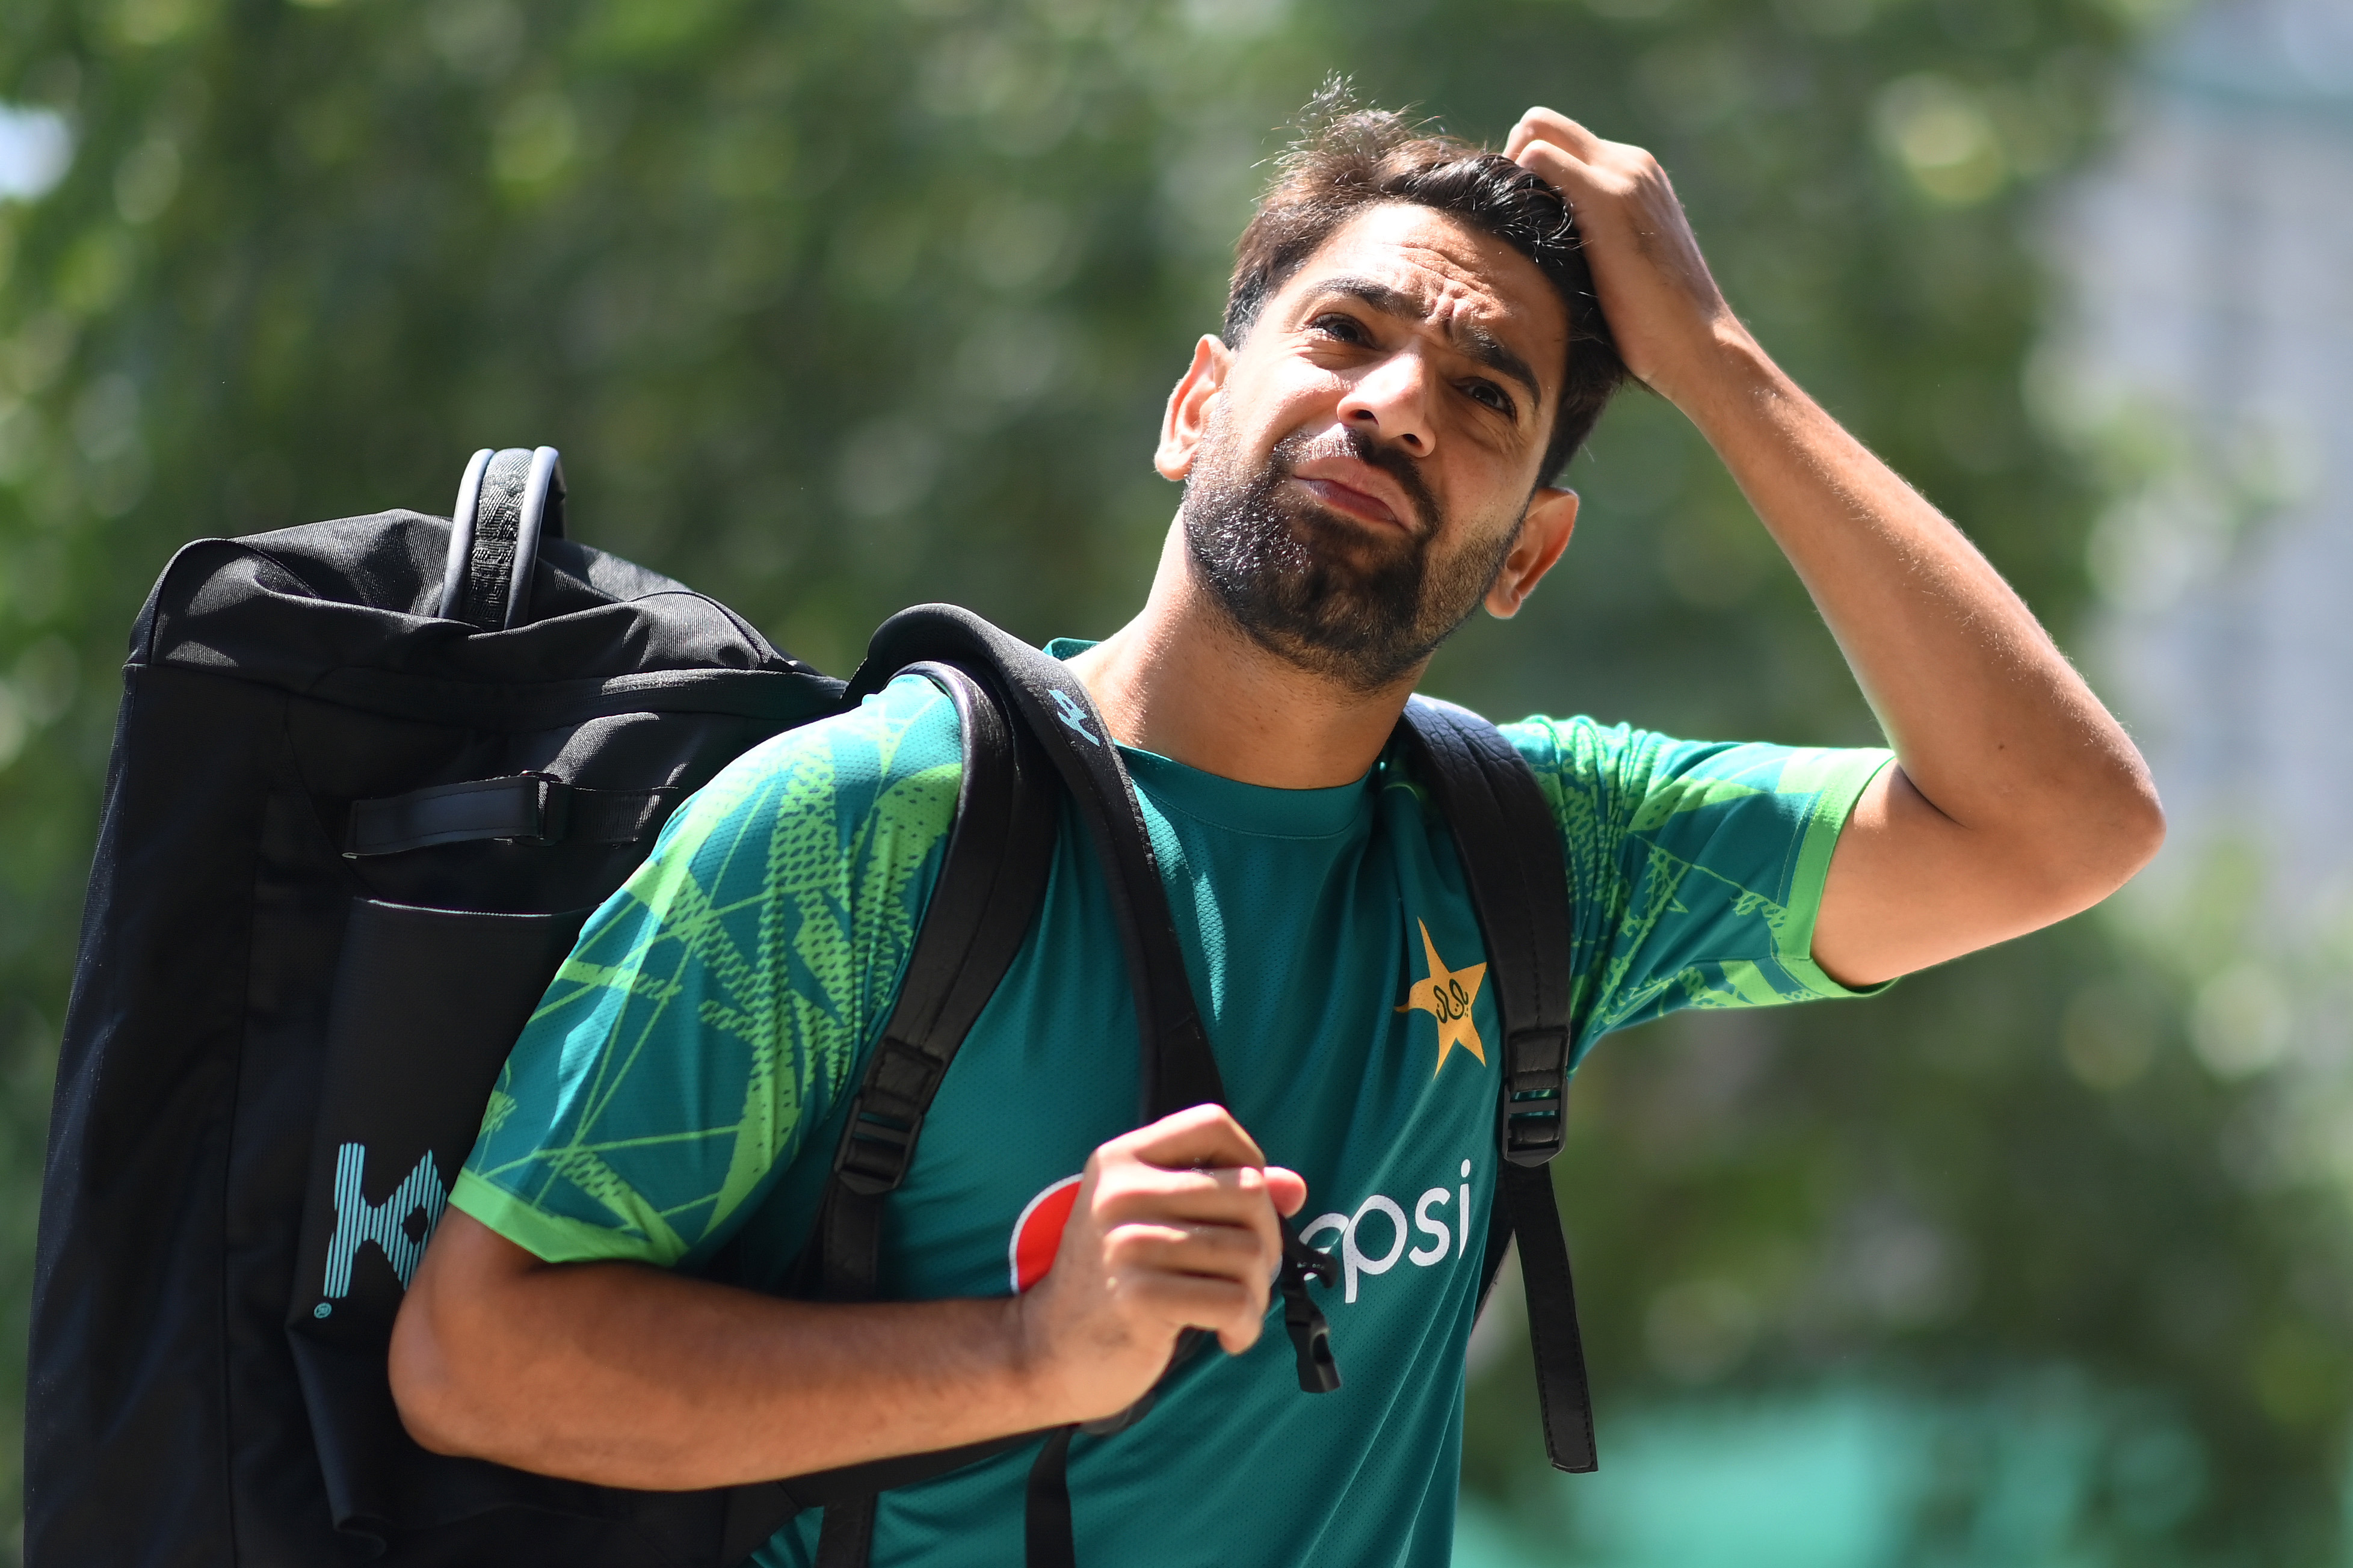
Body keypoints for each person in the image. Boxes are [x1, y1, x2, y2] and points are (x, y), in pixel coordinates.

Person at [387, 96, 2163, 1566]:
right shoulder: (873, 820)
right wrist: (1030, 1355)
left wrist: (1716, 363)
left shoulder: (1549, 857)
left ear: (1530, 555)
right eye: (1345, 334)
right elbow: (478, 1357)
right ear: (1195, 408)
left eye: (1488, 396)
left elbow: (2062, 825)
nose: (1395, 405)